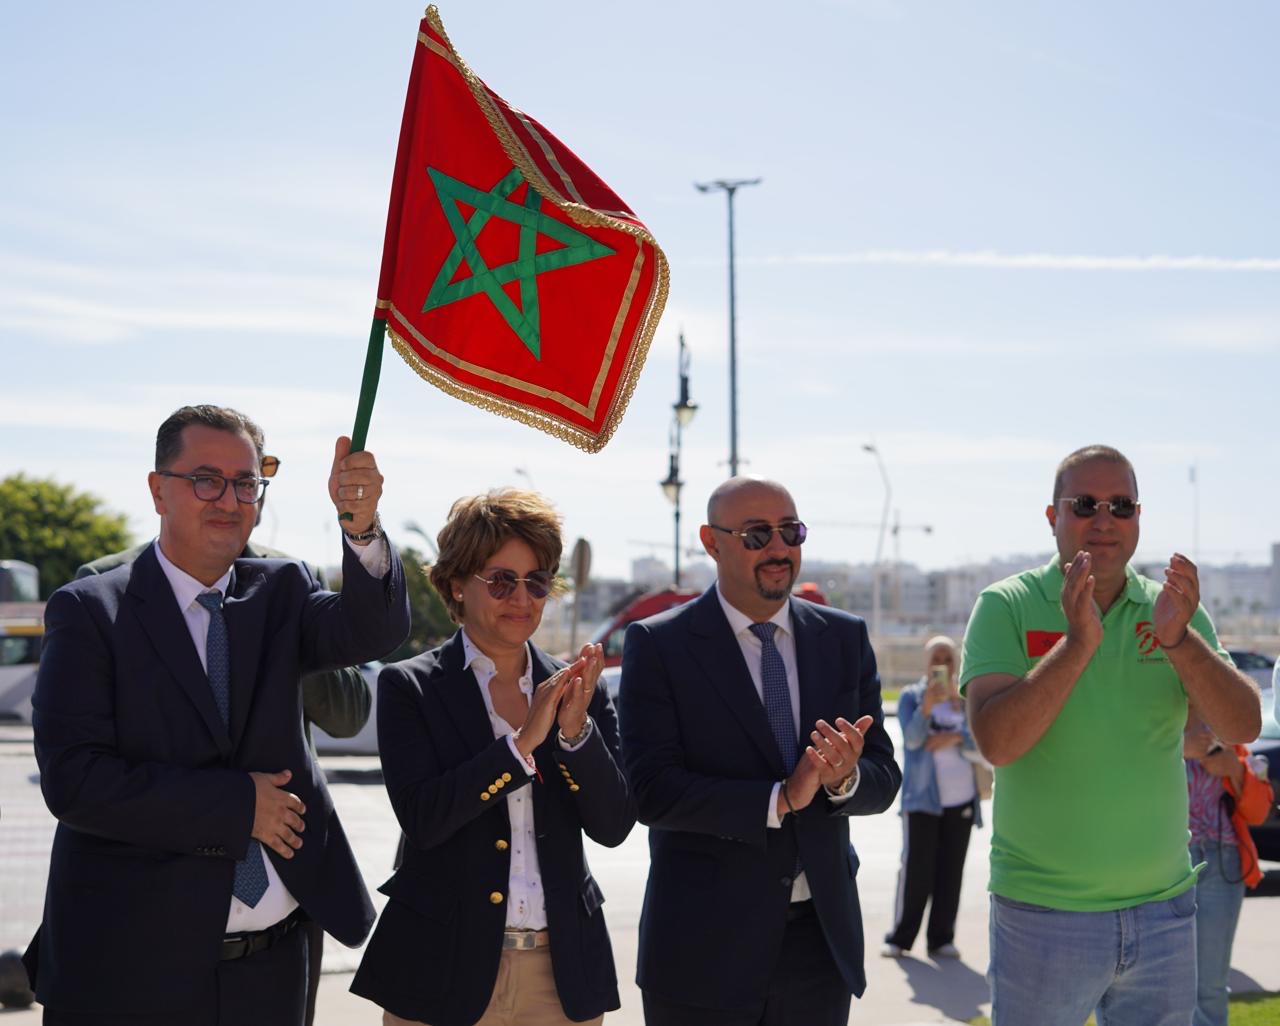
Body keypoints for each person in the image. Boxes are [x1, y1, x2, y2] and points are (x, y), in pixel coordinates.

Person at [23, 404, 411, 1026]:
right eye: (206, 480)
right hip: (131, 974)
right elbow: (76, 782)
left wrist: (362, 530)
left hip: (274, 969)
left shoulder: (283, 589)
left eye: (246, 483)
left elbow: (372, 632)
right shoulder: (90, 610)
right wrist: (238, 807)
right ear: (158, 490)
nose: (229, 501)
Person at [961, 444, 1262, 1026]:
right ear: (1053, 516)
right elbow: (997, 743)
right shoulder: (1006, 605)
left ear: (1138, 517)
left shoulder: (1171, 610)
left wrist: (1179, 641)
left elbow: (1241, 724)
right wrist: (1078, 645)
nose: (1104, 519)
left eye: (1121, 505)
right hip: (1044, 914)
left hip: (1162, 912)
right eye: (1085, 504)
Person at [618, 476, 901, 1026]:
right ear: (711, 542)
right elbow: (651, 791)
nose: (778, 548)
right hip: (702, 952)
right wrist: (778, 799)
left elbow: (884, 775)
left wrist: (844, 779)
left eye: (791, 532)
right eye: (757, 534)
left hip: (819, 948)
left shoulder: (844, 638)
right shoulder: (660, 645)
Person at [351, 489, 635, 1026]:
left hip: (562, 977)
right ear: (457, 585)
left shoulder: (580, 690)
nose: (521, 598)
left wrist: (575, 734)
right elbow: (424, 819)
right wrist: (521, 745)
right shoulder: (410, 687)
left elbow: (614, 826)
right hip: (440, 970)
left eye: (536, 581)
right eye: (502, 580)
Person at [882, 634, 981, 960]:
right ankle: (900, 937)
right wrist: (927, 708)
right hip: (923, 798)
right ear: (926, 663)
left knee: (951, 871)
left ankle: (941, 938)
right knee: (916, 870)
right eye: (936, 659)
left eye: (948, 658)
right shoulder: (912, 696)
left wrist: (954, 733)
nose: (942, 664)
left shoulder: (965, 698)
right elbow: (912, 740)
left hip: (961, 798)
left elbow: (979, 743)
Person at [1183, 711, 1273, 1026]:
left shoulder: (1225, 730)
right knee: (1152, 982)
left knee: (1210, 985)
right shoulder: (1153, 725)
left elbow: (1258, 812)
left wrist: (1234, 768)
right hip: (1165, 861)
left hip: (1223, 863)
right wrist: (1179, 748)